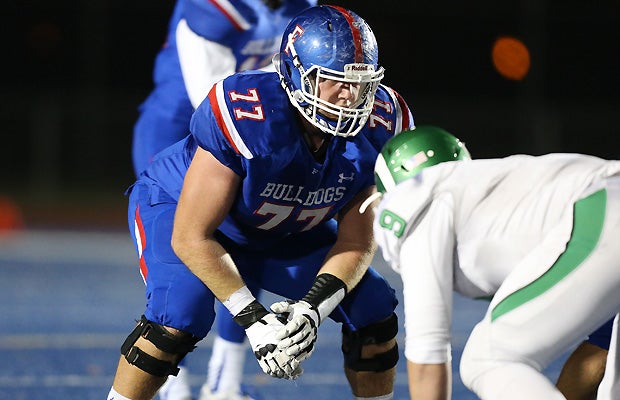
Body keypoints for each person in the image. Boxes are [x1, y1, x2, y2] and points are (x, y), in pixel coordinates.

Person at [108, 4, 415, 400]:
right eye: (333, 81)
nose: (350, 96)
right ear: (294, 74)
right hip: (188, 212)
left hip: (278, 230)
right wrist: (254, 320)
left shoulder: (382, 125)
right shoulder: (249, 114)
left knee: (373, 310)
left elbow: (356, 242)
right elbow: (190, 237)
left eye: (361, 83)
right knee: (180, 314)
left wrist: (311, 309)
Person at [131, 1, 316, 399]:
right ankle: (170, 381)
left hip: (245, 127)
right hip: (179, 129)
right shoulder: (215, 8)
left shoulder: (300, 8)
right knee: (178, 264)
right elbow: (214, 101)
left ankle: (224, 381)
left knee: (252, 236)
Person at [370, 126, 620, 399]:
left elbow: (428, 351)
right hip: (605, 202)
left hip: (602, 211)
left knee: (487, 358)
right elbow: (600, 350)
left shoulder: (418, 201)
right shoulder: (505, 196)